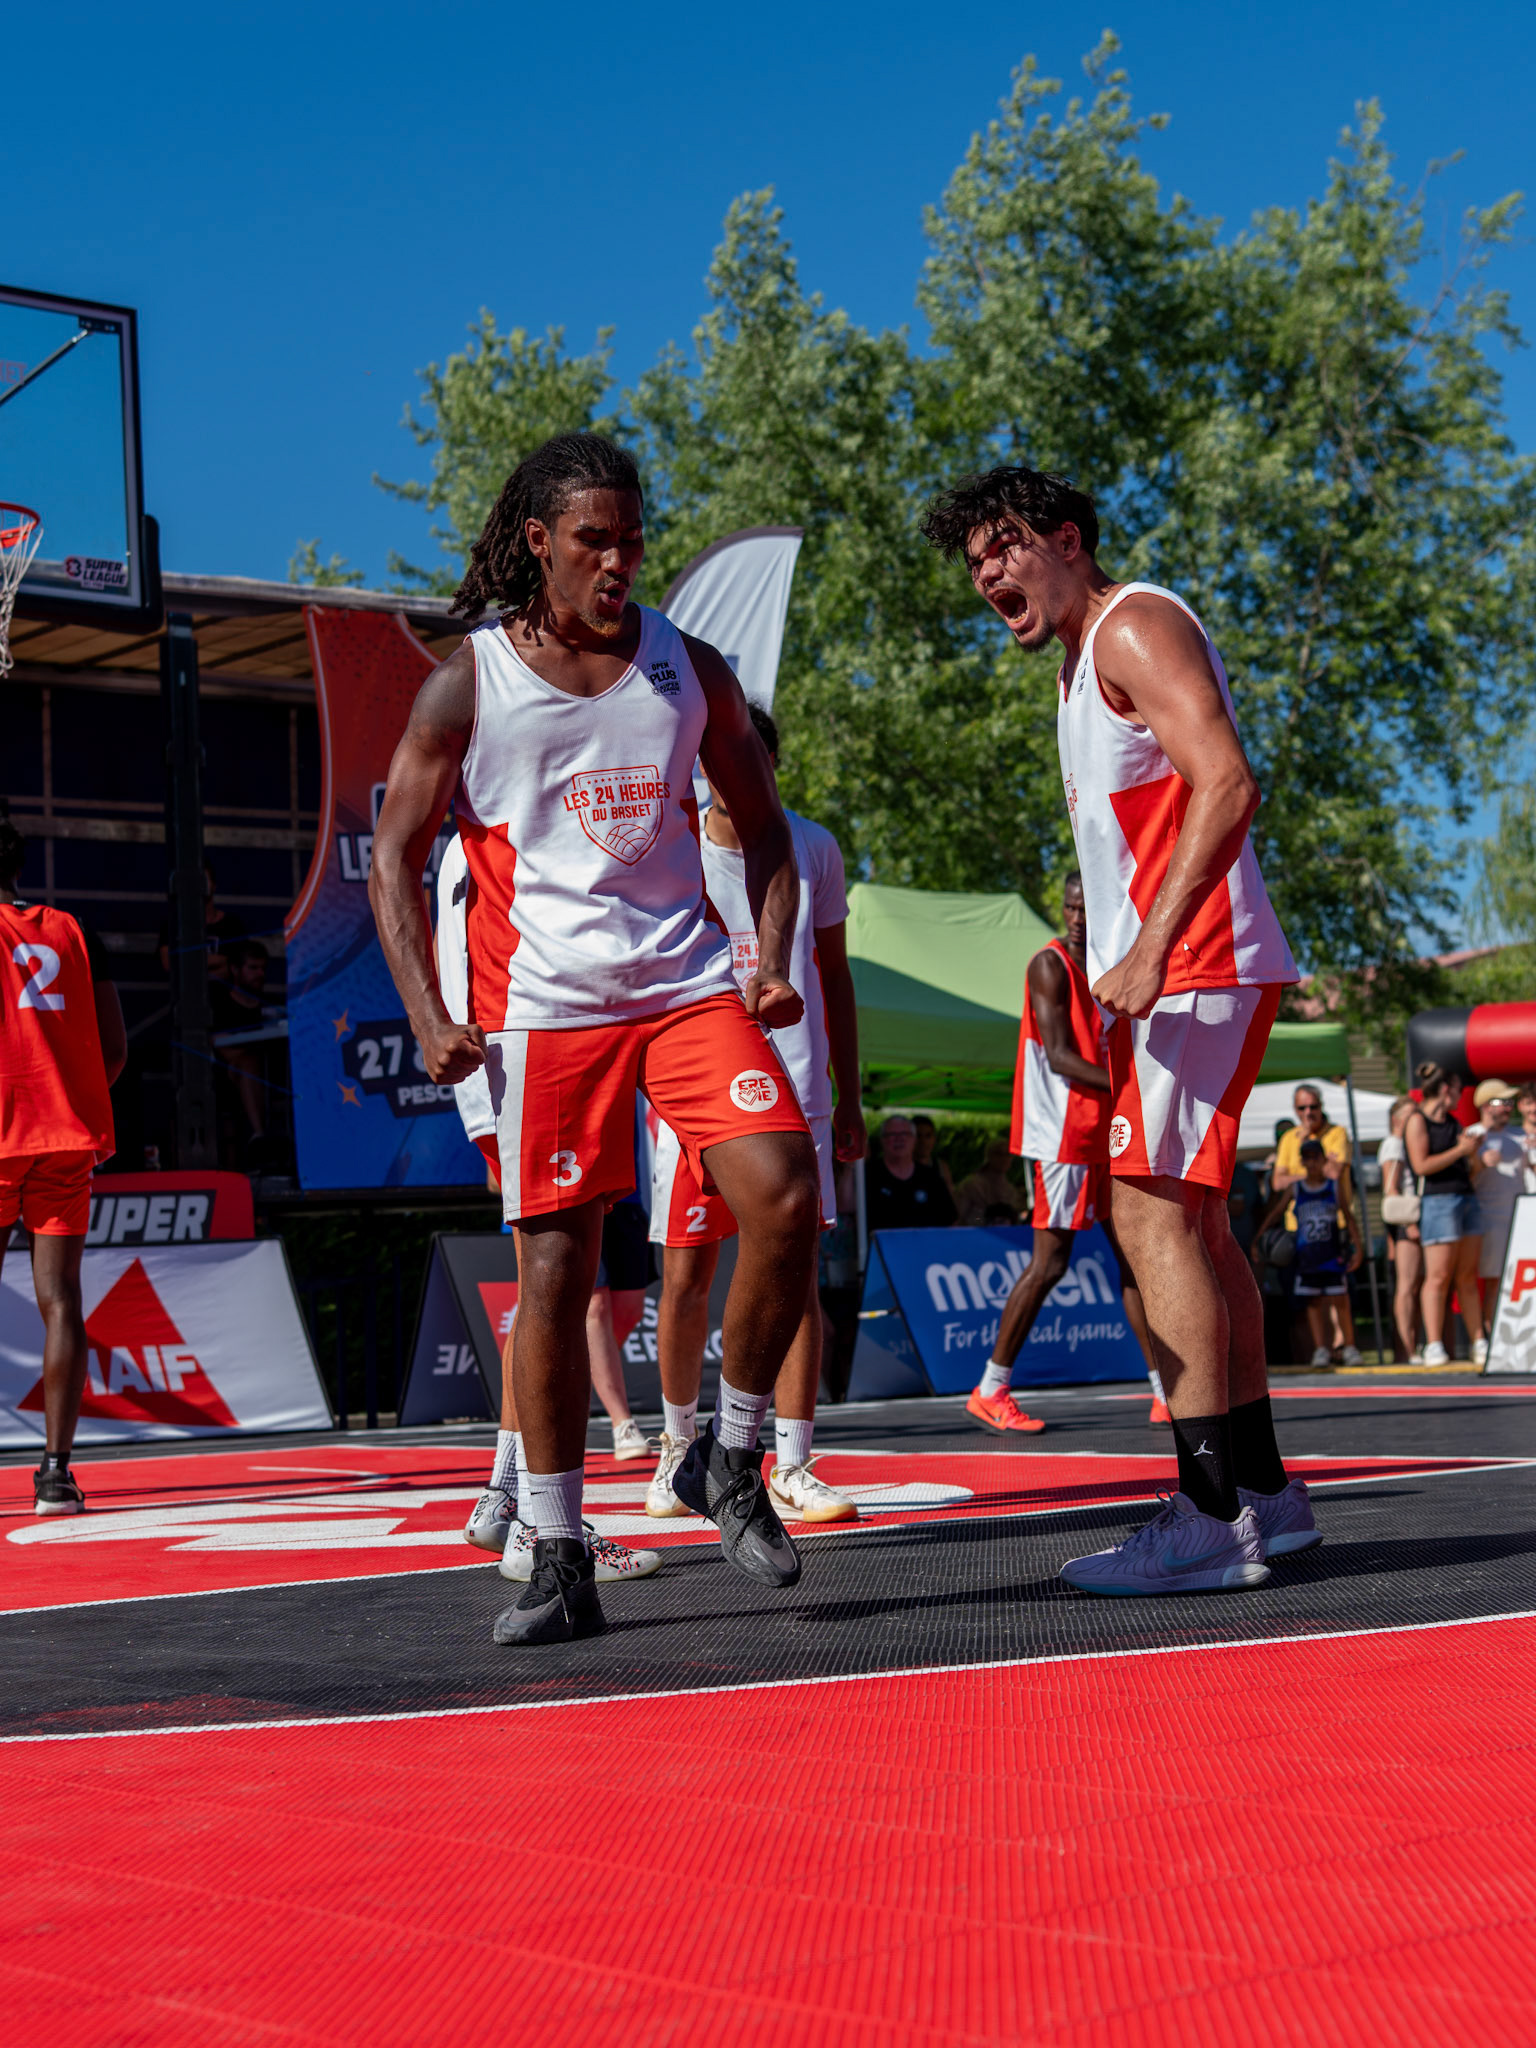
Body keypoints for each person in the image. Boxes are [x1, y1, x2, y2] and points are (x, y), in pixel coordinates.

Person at [370, 433, 822, 1646]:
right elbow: (392, 857)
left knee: (786, 1194)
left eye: (632, 539)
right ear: (539, 541)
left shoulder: (689, 664)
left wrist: (768, 957)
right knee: (559, 1276)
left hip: (684, 985)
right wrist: (429, 1011)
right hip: (545, 1009)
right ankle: (558, 1550)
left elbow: (766, 829)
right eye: (593, 541)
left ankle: (721, 1453)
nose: (619, 561)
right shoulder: (470, 682)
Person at [923, 463, 1313, 1594]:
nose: (989, 570)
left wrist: (1145, 948)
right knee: (1198, 1231)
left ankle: (1204, 1512)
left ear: (1069, 538)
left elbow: (1229, 782)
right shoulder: (1076, 669)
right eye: (975, 560)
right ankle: (1265, 1493)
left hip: (1195, 968)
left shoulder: (1133, 626)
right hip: (1187, 968)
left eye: (1004, 545)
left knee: (1148, 1224)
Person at [645, 704, 865, 1529]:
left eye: (753, 766)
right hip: (696, 1084)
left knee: (796, 1273)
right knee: (687, 1274)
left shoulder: (810, 846)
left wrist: (849, 1092)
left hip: (799, 1086)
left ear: (771, 768)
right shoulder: (674, 848)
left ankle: (792, 1463)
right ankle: (675, 1450)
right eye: (720, 765)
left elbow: (834, 976)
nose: (736, 781)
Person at [434, 822, 660, 1585]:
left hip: (525, 1062)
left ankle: (505, 1497)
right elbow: (477, 964)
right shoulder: (489, 831)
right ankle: (537, 1522)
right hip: (519, 1061)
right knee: (554, 1289)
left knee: (552, 1288)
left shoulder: (477, 832)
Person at [967, 871, 1158, 1437]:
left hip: (1103, 1130)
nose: (1077, 916)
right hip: (1061, 1136)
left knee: (1133, 1262)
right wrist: (1132, 1087)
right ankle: (990, 1387)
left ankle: (1166, 1393)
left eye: (1085, 907)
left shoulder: (1108, 963)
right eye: (1070, 907)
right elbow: (1059, 1057)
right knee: (1050, 1263)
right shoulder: (1048, 964)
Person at [0, 819, 126, 1514]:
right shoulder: (73, 930)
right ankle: (55, 1473)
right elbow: (113, 1052)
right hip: (66, 1136)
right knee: (61, 1300)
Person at [1404, 1062, 1485, 1368]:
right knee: (1437, 1276)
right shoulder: (1417, 1120)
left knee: (1466, 1276)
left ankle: (1479, 1340)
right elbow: (1421, 1165)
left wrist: (1475, 1155)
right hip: (1438, 1202)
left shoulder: (1454, 1123)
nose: (1460, 1097)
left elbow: (1470, 1168)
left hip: (1466, 1197)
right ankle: (1434, 1343)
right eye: (1457, 1090)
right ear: (1446, 1089)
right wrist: (1460, 1151)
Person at [1270, 1084, 1355, 1356]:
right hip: (1299, 1231)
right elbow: (1277, 1182)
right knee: (1309, 1298)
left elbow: (1333, 1174)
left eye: (1313, 1107)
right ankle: (1319, 1350)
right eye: (1302, 1108)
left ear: (1322, 1106)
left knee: (1337, 1295)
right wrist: (1312, 1172)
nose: (1308, 1113)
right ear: (1295, 1110)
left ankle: (1344, 1346)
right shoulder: (1289, 1139)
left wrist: (1300, 1175)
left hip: (1333, 1226)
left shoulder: (1337, 1134)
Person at [1283, 1139, 1365, 1364]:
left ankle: (1349, 1346)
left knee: (1340, 1298)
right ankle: (1321, 1348)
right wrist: (1260, 1237)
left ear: (1322, 1159)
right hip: (1307, 1256)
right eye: (1306, 1158)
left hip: (1331, 1254)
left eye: (1315, 1157)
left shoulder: (1333, 1186)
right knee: (1313, 1302)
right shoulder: (1297, 1188)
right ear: (1302, 1161)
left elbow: (1349, 1218)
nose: (1311, 1162)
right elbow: (1275, 1213)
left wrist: (1358, 1248)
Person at [1467, 1079, 1524, 1322]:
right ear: (1487, 1105)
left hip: (1523, 1220)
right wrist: (1478, 1163)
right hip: (1489, 1219)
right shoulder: (1471, 1136)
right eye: (1503, 1102)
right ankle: (1492, 1339)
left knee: (1522, 1282)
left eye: (1510, 1102)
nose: (1509, 1108)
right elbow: (1460, 1181)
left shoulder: (1522, 1135)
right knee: (1496, 1283)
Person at [210, 938, 273, 1154]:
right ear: (235, 970)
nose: (259, 974)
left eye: (263, 968)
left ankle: (261, 1139)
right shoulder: (220, 1004)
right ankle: (259, 1137)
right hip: (227, 1077)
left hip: (271, 1075)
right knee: (248, 1062)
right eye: (253, 968)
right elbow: (218, 1044)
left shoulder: (269, 1005)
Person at [1378, 1095, 1423, 1363]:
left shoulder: (1402, 1143)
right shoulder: (1394, 1144)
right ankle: (1405, 1349)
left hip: (1409, 1219)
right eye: (1410, 1114)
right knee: (1406, 1286)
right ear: (1397, 1120)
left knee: (1413, 1285)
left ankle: (1410, 1345)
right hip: (1405, 1219)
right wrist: (1409, 1222)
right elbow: (1391, 1188)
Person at [866, 1115, 957, 1231]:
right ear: (882, 1140)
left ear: (914, 1139)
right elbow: (845, 1207)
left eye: (905, 1134)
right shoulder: (868, 1174)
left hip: (924, 1247)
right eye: (892, 1134)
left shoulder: (931, 1177)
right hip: (879, 1247)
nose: (899, 1139)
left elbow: (950, 1219)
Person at [954, 1137, 1024, 1227]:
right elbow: (958, 1216)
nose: (1004, 1158)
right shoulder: (971, 1185)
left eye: (1007, 1154)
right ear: (989, 1156)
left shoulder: (1011, 1190)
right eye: (998, 1154)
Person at [912, 1116, 956, 1197]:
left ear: (934, 1139)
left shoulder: (942, 1168)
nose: (923, 1141)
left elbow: (951, 1198)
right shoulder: (899, 1168)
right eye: (918, 1136)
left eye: (928, 1136)